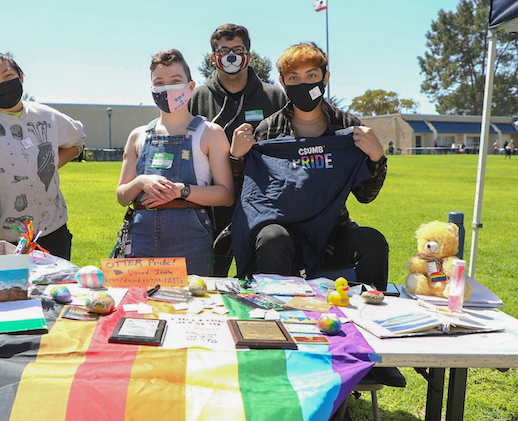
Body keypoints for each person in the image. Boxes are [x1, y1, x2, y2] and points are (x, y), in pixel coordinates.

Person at [229, 42, 388, 290]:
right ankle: (277, 314)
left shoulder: (348, 127)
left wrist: (376, 158)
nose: (303, 84)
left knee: (372, 241)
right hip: (283, 230)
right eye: (294, 77)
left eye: (311, 75)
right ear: (283, 83)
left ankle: (374, 311)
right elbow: (251, 197)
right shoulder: (268, 130)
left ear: (325, 78)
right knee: (272, 237)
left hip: (333, 231)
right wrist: (237, 158)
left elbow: (366, 195)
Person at [0, 52, 85, 260]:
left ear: (21, 76)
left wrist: (49, 166)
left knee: (54, 293)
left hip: (51, 233)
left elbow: (78, 140)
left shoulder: (47, 116)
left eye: (8, 76)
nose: (3, 84)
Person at [116, 49, 235, 277]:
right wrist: (141, 181)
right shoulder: (138, 136)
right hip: (140, 239)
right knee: (139, 308)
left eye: (175, 81)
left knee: (191, 308)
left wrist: (182, 191)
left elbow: (226, 194)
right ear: (152, 89)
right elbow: (122, 197)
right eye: (159, 83)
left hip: (191, 242)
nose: (167, 88)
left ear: (191, 87)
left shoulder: (210, 132)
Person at [188, 23, 288, 277]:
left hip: (263, 205)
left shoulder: (275, 96)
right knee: (208, 285)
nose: (231, 56)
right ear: (213, 57)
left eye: (238, 49)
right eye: (223, 50)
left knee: (257, 284)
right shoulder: (197, 98)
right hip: (209, 206)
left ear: (249, 55)